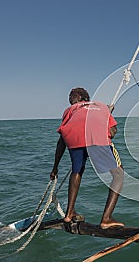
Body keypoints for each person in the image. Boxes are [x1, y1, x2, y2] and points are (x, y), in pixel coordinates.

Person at [50, 87, 124, 229]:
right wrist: (107, 115)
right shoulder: (102, 107)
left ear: (81, 97)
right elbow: (112, 132)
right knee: (118, 175)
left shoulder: (69, 110)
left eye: (72, 96)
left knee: (77, 171)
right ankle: (106, 218)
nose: (70, 99)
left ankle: (69, 213)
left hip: (73, 138)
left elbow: (61, 142)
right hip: (96, 138)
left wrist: (55, 168)